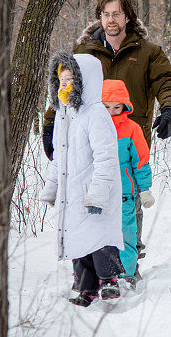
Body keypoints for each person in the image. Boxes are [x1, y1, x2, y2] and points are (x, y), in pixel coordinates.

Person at [42, 0, 171, 276]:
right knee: (94, 200)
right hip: (87, 142)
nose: (111, 20)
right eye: (106, 14)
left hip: (128, 139)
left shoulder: (148, 52)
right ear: (99, 17)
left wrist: (169, 109)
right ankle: (96, 266)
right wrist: (50, 123)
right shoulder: (83, 52)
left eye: (116, 13)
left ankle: (129, 262)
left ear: (127, 16)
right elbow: (64, 88)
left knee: (127, 200)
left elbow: (167, 81)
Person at [40, 51, 124, 307]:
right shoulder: (64, 116)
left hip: (94, 189)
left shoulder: (96, 114)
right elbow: (59, 157)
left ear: (84, 81)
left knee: (99, 237)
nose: (64, 86)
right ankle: (85, 289)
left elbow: (107, 158)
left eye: (70, 80)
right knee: (78, 240)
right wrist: (52, 187)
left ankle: (109, 280)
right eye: (61, 81)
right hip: (72, 191)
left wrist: (98, 192)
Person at [102, 79, 155, 288]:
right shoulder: (94, 127)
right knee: (102, 236)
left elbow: (140, 161)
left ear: (125, 106)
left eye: (117, 107)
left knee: (126, 233)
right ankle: (105, 275)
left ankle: (128, 273)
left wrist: (145, 189)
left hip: (125, 193)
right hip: (100, 192)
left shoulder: (132, 128)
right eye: (106, 107)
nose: (112, 111)